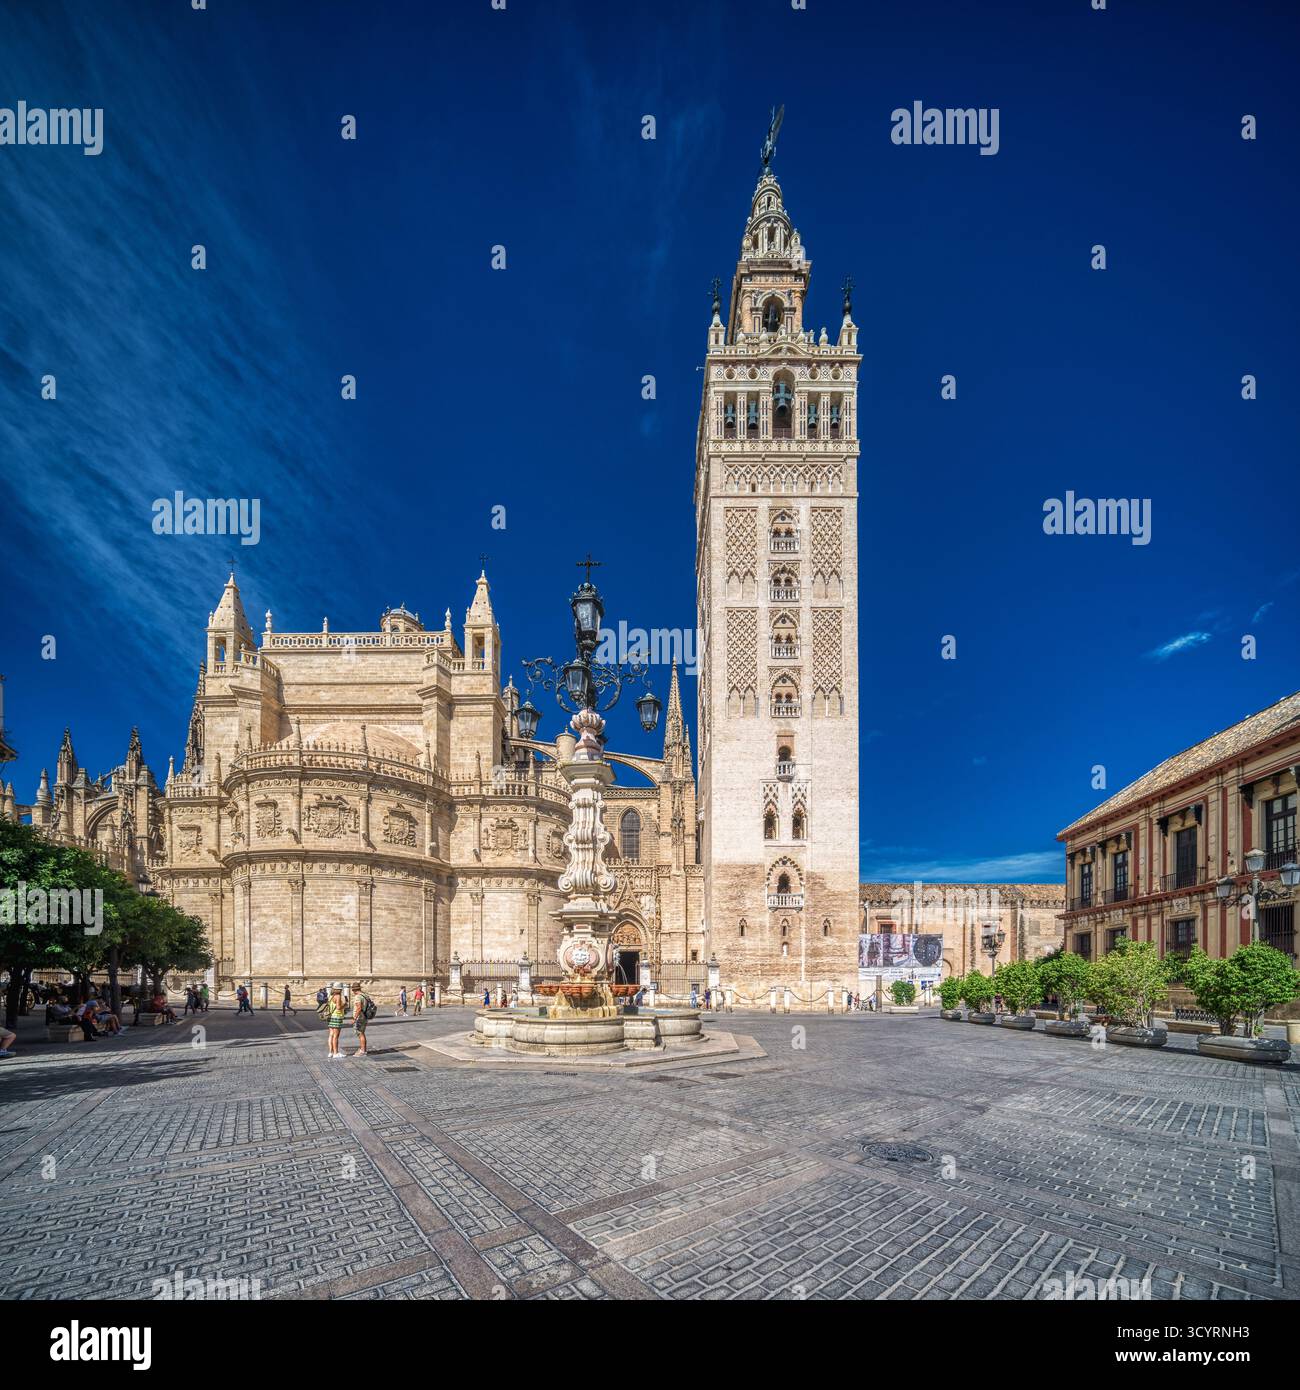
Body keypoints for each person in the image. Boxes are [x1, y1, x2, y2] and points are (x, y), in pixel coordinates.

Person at [325, 986, 347, 1058]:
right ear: (339, 989)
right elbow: (338, 1007)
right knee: (336, 1036)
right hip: (337, 1017)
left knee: (331, 1035)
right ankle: (336, 1053)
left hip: (330, 1017)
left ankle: (330, 1052)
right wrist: (344, 1005)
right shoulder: (338, 996)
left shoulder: (330, 996)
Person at [352, 982, 371, 1057]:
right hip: (364, 1016)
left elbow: (359, 1008)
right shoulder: (365, 995)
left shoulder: (358, 997)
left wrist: (354, 1018)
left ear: (354, 990)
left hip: (360, 1017)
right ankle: (363, 1049)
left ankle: (363, 1051)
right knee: (362, 1033)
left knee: (360, 1034)